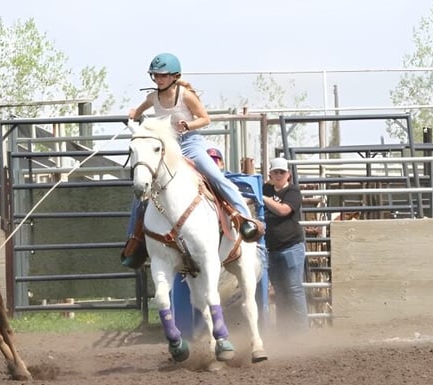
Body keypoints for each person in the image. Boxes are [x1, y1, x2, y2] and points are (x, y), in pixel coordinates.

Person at [127, 52, 263, 243]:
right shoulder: (152, 97)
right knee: (143, 185)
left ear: (175, 76)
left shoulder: (186, 95)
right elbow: (137, 112)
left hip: (190, 143)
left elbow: (205, 119)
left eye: (163, 75)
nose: (158, 79)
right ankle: (134, 238)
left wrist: (188, 125)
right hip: (168, 147)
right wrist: (133, 114)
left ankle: (244, 219)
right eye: (155, 75)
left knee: (215, 176)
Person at [262, 157, 309, 334]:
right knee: (280, 291)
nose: (279, 175)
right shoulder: (266, 189)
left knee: (294, 288)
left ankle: (301, 331)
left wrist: (262, 198)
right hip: (272, 249)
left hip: (291, 246)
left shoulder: (293, 191)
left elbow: (283, 210)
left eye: (282, 172)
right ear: (270, 174)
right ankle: (284, 330)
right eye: (276, 172)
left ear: (288, 174)